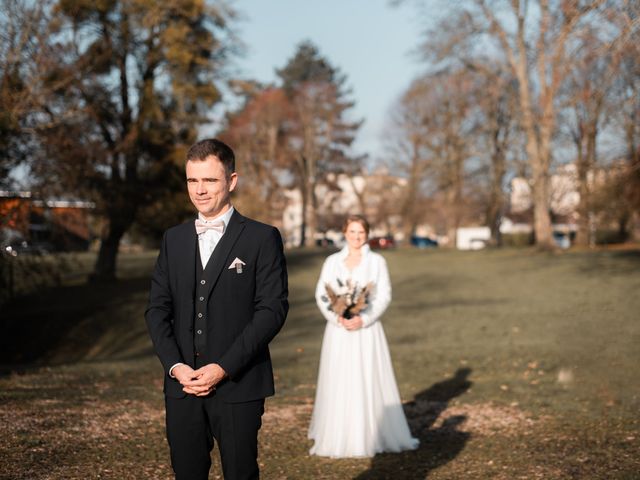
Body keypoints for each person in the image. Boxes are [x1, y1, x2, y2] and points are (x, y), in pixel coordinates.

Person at [145, 138, 288, 480]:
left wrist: (223, 367)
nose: (200, 190)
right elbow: (156, 310)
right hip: (182, 386)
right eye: (193, 180)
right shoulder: (173, 239)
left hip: (239, 385)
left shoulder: (261, 238)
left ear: (231, 181)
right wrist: (176, 367)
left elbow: (271, 310)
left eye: (210, 180)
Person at [308, 215, 419, 458]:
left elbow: (384, 295)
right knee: (339, 378)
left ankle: (369, 434)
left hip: (367, 331)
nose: (356, 237)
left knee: (366, 377)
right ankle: (339, 434)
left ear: (367, 235)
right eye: (352, 232)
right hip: (338, 331)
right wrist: (335, 316)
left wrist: (364, 319)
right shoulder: (332, 261)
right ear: (345, 233)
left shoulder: (377, 262)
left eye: (361, 232)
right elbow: (321, 293)